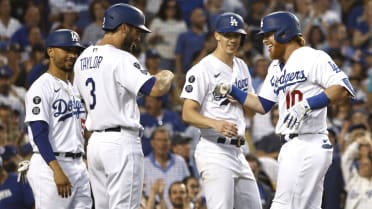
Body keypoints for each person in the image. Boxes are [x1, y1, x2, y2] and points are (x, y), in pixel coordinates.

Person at [215, 11, 355, 209]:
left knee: (282, 204)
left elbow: (343, 89)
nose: (264, 40)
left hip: (309, 141)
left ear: (283, 32)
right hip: (291, 145)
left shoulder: (312, 56)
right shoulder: (275, 67)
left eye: (268, 34)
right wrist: (233, 91)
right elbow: (262, 104)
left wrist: (307, 105)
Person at [73, 3, 174, 209]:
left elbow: (78, 99)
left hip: (95, 145)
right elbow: (155, 89)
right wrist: (167, 74)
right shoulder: (121, 58)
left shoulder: (82, 58)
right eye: (137, 31)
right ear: (124, 27)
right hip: (120, 143)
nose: (139, 37)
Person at [180, 12, 262, 209]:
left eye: (237, 36)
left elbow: (251, 110)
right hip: (214, 150)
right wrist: (215, 123)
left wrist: (242, 100)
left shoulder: (241, 66)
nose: (232, 40)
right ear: (216, 35)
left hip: (238, 151)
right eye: (227, 35)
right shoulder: (202, 69)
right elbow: (187, 113)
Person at [24, 29, 92, 209]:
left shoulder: (74, 88)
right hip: (52, 166)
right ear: (50, 52)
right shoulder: (41, 87)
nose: (72, 55)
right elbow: (39, 134)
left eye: (75, 51)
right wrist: (57, 171)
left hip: (78, 165)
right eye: (66, 49)